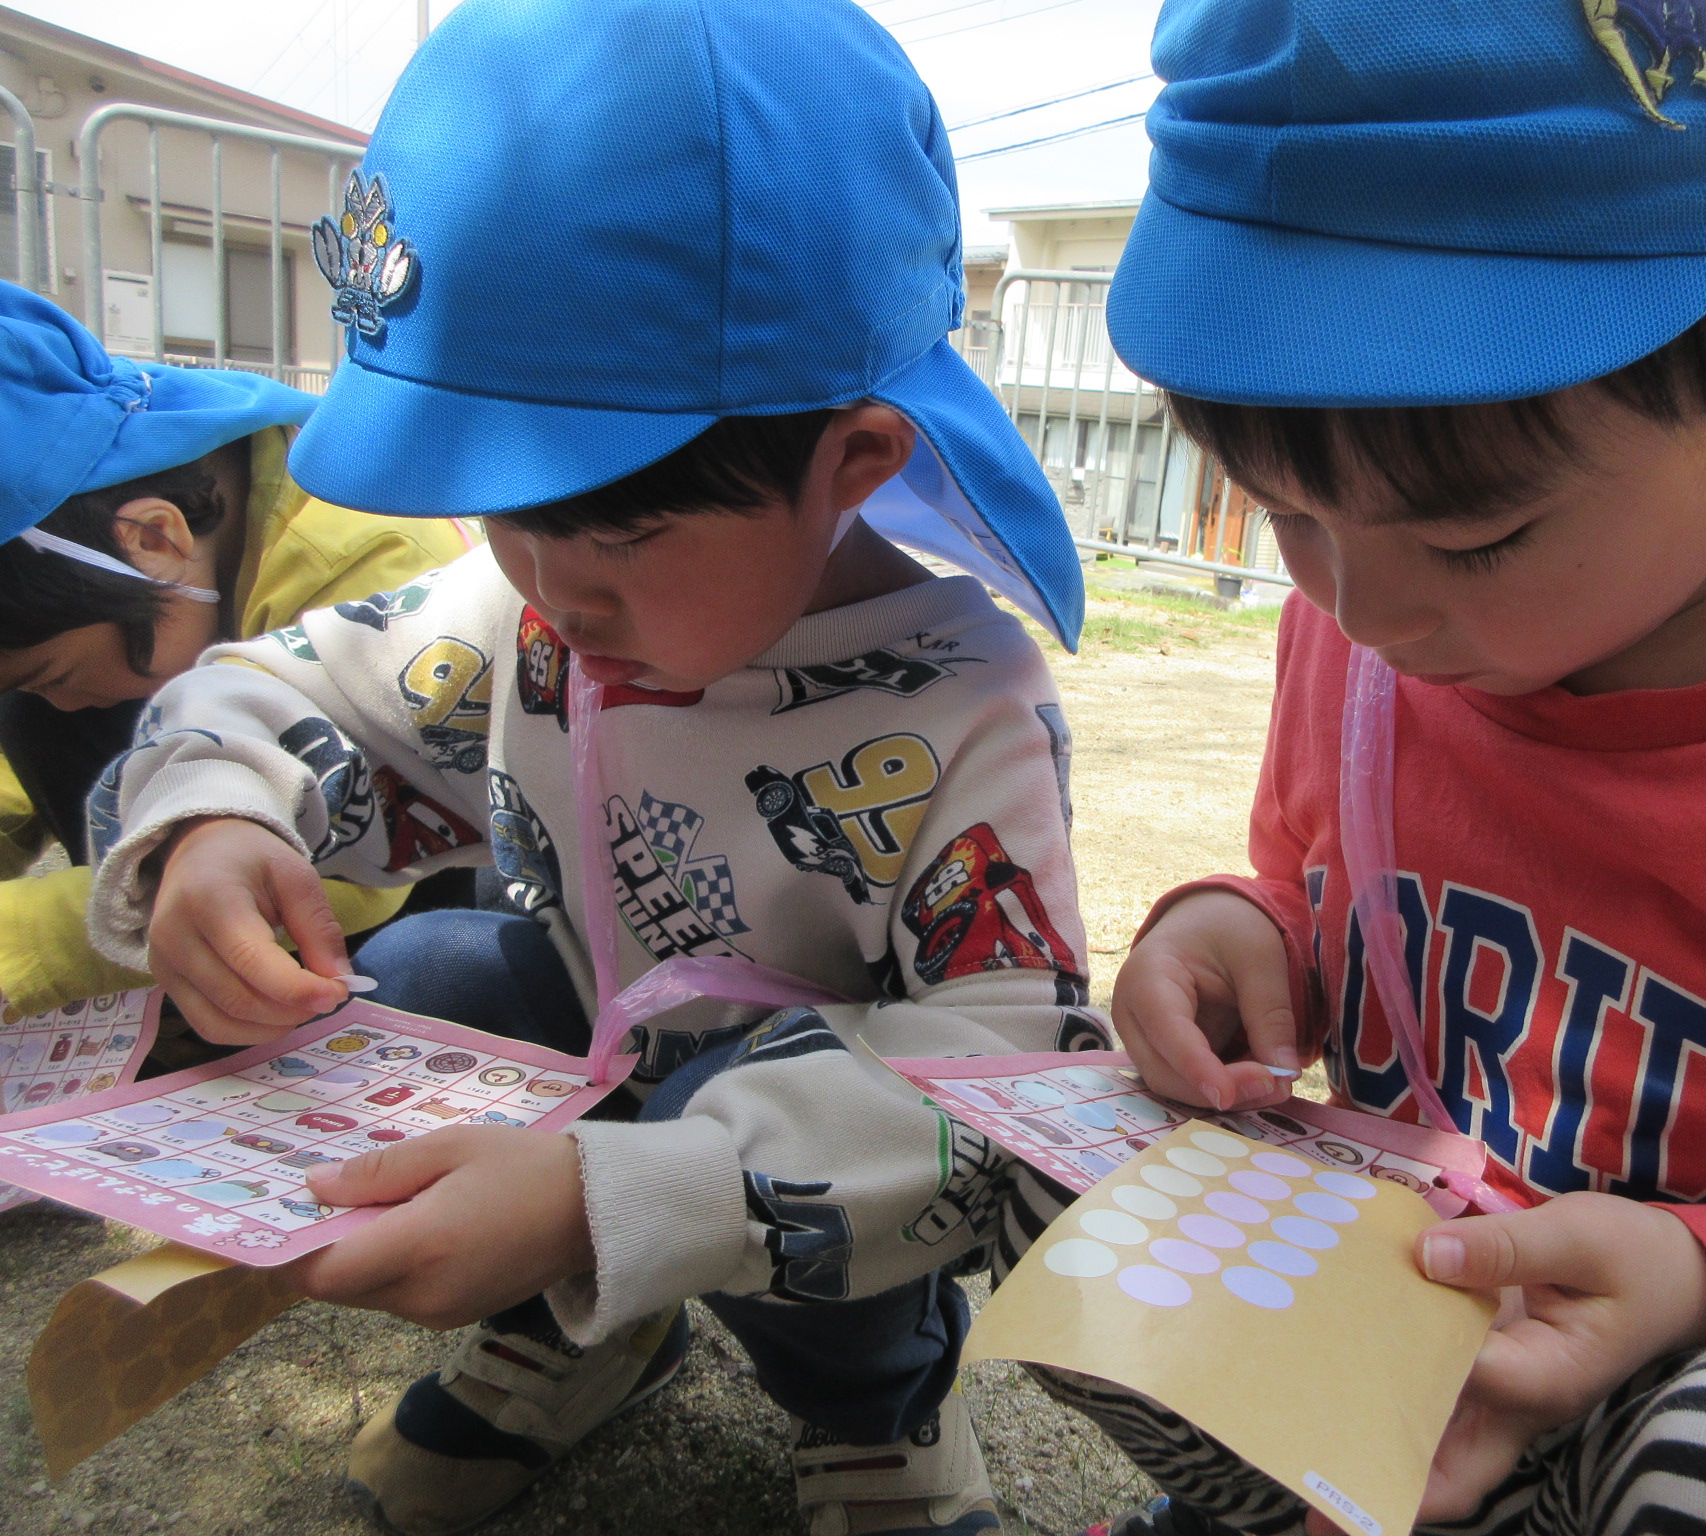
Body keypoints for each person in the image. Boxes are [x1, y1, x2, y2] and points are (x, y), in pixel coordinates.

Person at [1009, 2, 1706, 1534]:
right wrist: (1235, 934)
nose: (1364, 611)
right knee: (1070, 1154)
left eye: (1478, 536)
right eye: (1288, 513)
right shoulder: (1373, 633)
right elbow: (1328, 898)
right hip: (1413, 1375)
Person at [85, 2, 1096, 1535]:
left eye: (622, 531)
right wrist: (215, 822)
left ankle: (876, 1413)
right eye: (507, 511)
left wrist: (602, 1196)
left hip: (810, 1152)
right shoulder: (529, 607)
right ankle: (578, 1327)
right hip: (595, 1056)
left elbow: (1009, 1077)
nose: (560, 587)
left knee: (799, 1116)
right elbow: (258, 687)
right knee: (432, 961)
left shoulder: (961, 707)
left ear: (855, 464)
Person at [0, 281, 468, 1020]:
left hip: (394, 869)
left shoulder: (371, 547)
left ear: (155, 539)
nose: (56, 699)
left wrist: (25, 946)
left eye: (50, 672)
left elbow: (358, 851)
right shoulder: (81, 622)